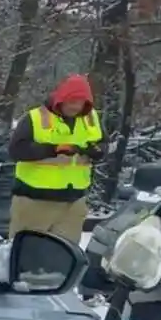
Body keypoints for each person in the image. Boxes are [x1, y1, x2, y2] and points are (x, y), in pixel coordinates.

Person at [7, 74, 103, 244]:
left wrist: (94, 151)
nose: (75, 107)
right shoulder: (35, 118)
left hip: (72, 203)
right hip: (34, 201)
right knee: (27, 255)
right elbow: (16, 150)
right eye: (71, 101)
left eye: (80, 102)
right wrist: (52, 149)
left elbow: (103, 144)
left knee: (65, 258)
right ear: (61, 99)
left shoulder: (91, 118)